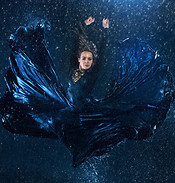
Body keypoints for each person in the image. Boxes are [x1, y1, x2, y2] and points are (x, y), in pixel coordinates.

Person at [0, 18, 174, 167]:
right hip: (67, 104)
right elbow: (76, 43)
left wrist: (105, 32)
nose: (87, 61)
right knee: (42, 114)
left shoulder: (92, 73)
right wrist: (85, 26)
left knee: (119, 113)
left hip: (83, 108)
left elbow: (102, 51)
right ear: (79, 59)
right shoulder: (73, 68)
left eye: (90, 59)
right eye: (84, 58)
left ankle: (84, 145)